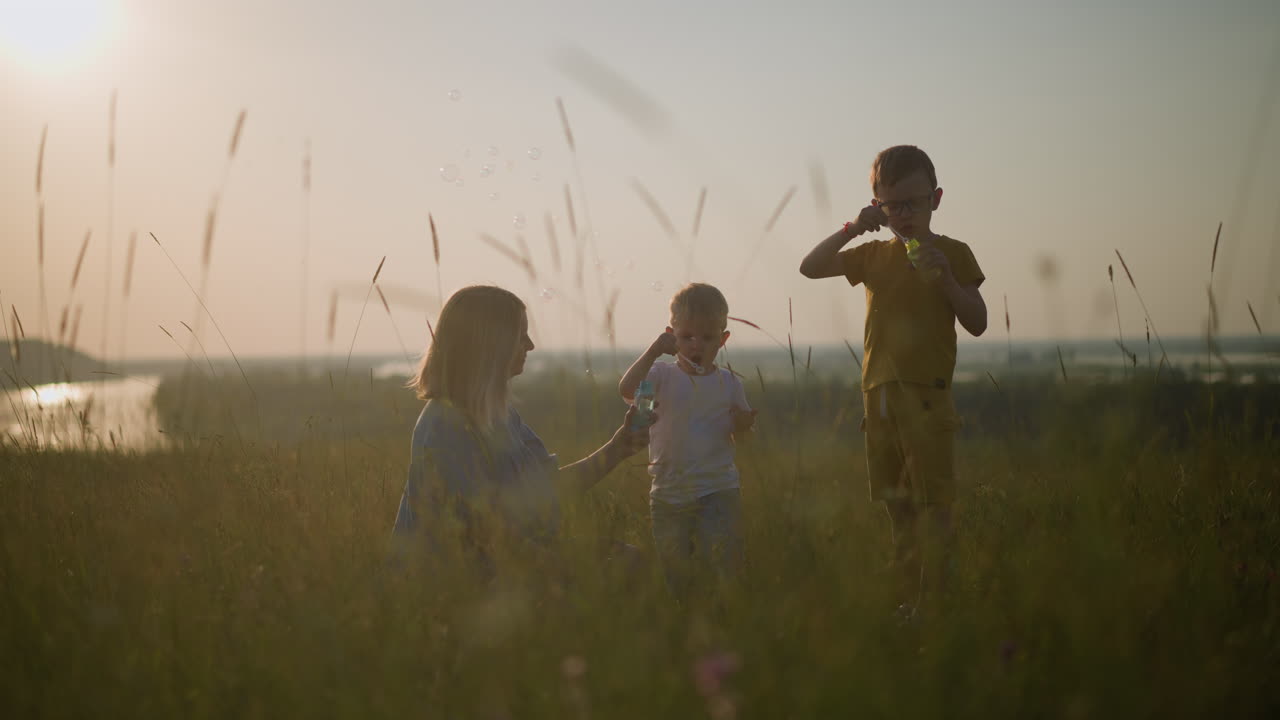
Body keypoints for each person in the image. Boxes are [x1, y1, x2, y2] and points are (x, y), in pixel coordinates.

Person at [799, 145, 987, 616]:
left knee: (935, 509)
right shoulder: (872, 255)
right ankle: (909, 602)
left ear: (936, 199)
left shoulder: (955, 254)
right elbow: (810, 266)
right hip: (877, 397)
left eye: (914, 203)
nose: (903, 214)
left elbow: (978, 321)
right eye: (891, 206)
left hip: (928, 397)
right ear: (877, 206)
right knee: (897, 510)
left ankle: (938, 605)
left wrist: (946, 281)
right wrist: (853, 227)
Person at [391, 285, 651, 574]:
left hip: (514, 560)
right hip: (463, 581)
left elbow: (547, 489)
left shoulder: (500, 415)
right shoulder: (444, 427)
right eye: (520, 336)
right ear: (492, 344)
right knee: (619, 569)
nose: (530, 345)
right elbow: (484, 535)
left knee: (629, 560)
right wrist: (566, 567)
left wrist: (618, 448)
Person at [618, 283, 757, 597]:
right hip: (669, 493)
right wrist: (654, 350)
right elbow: (627, 390)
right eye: (687, 337)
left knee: (722, 564)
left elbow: (742, 440)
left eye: (708, 338)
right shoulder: (660, 376)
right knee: (677, 572)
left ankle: (721, 619)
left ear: (723, 339)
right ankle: (686, 623)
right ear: (672, 335)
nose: (697, 345)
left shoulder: (730, 383)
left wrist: (743, 426)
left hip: (719, 489)